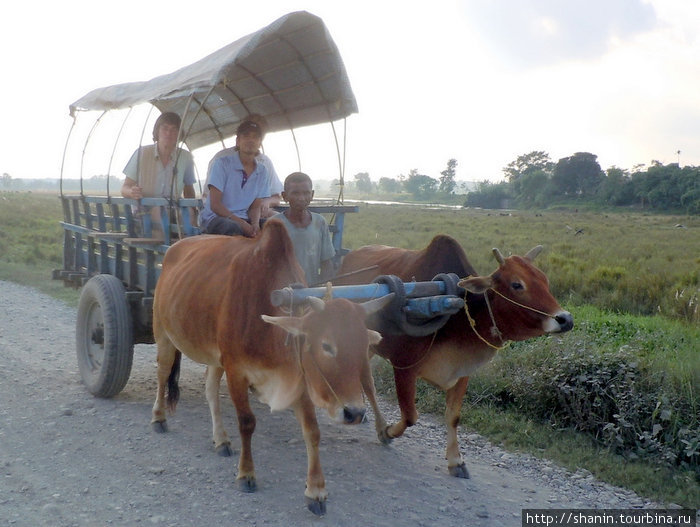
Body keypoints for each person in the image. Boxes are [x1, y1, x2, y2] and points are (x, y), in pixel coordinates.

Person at [199, 120, 273, 237]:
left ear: (260, 143)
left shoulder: (262, 171)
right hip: (215, 218)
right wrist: (243, 224)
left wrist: (255, 225)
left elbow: (255, 206)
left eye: (255, 137)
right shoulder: (222, 164)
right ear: (238, 141)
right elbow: (215, 205)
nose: (250, 140)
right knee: (233, 228)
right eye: (246, 136)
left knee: (273, 227)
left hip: (243, 218)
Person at [204, 113, 282, 218]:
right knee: (233, 226)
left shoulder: (264, 163)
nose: (251, 140)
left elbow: (276, 196)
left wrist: (266, 202)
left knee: (279, 221)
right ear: (239, 138)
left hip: (254, 212)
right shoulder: (222, 160)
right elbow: (213, 200)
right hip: (224, 213)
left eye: (256, 135)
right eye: (247, 134)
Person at [272, 172, 336, 285]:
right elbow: (268, 264)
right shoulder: (275, 224)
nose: (301, 198)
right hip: (283, 293)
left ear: (312, 195)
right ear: (284, 196)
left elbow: (326, 263)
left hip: (312, 291)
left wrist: (323, 290)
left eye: (306, 193)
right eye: (295, 193)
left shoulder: (319, 222)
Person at [121, 112, 195, 200]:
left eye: (174, 129)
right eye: (165, 128)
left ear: (179, 133)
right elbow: (125, 188)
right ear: (157, 131)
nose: (168, 133)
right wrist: (131, 192)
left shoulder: (185, 157)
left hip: (174, 211)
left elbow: (189, 190)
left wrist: (193, 210)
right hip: (145, 210)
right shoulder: (141, 153)